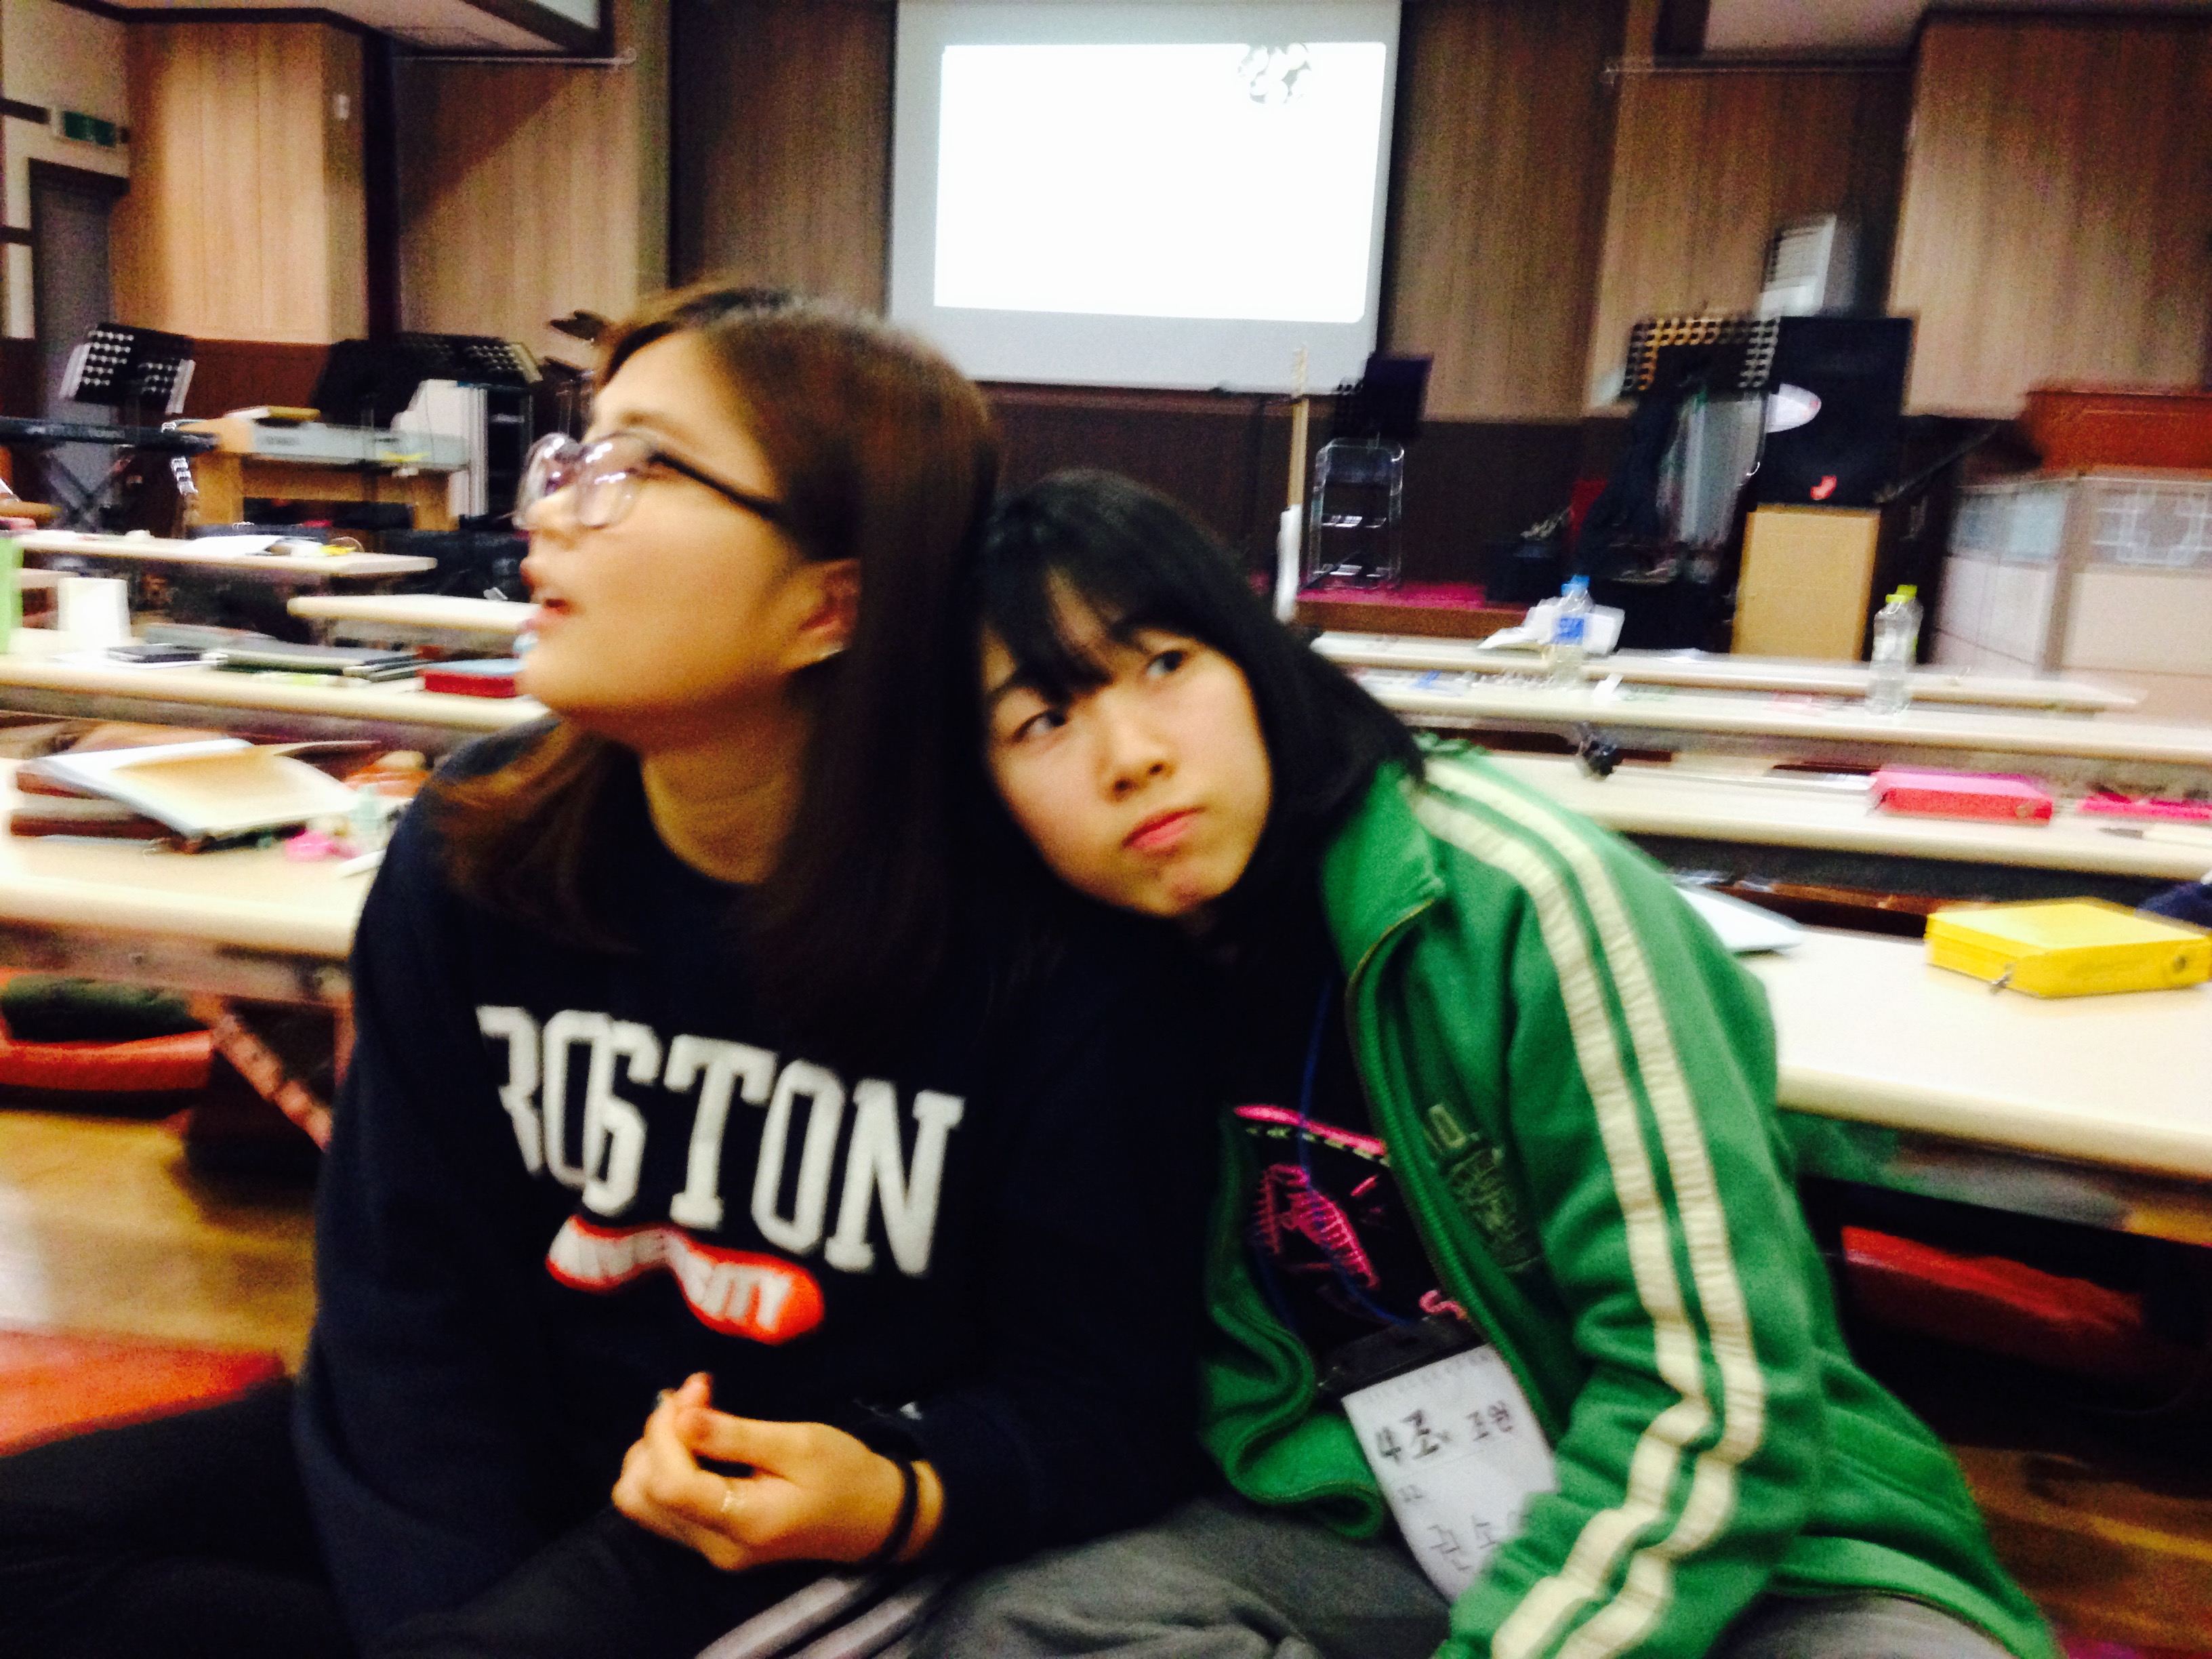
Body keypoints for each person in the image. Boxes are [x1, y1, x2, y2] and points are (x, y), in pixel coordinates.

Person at [0, 302, 1214, 1659]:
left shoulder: (1039, 928)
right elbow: (405, 1305)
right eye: (570, 459)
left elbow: (1106, 1399)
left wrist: (903, 1490)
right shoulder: (480, 842)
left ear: (832, 603)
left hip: (771, 1502)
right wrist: (455, 1616)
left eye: (637, 467)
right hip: (519, 1446)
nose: (550, 514)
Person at [920, 469, 2060, 1659]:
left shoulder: (1527, 903)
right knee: (1030, 1626)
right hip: (1392, 1530)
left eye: (1164, 663)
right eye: (1042, 721)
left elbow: (1714, 1395)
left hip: (1764, 1554)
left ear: (1256, 659)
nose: (1130, 756)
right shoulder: (1090, 985)